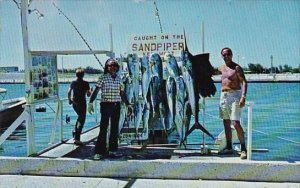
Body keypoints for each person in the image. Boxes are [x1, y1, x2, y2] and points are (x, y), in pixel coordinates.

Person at [88, 58, 131, 160]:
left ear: (117, 68)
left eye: (114, 66)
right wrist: (90, 102)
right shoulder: (103, 78)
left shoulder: (119, 79)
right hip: (106, 105)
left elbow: (122, 93)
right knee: (103, 128)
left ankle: (112, 150)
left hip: (116, 105)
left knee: (114, 129)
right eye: (110, 66)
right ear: (107, 68)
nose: (112, 68)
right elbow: (96, 90)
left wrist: (128, 104)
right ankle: (99, 152)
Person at [218, 47, 248, 160]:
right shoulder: (221, 68)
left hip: (235, 96)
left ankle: (243, 148)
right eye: (224, 55)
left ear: (231, 55)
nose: (226, 56)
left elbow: (244, 82)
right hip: (223, 96)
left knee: (235, 123)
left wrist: (243, 97)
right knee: (226, 122)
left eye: (228, 54)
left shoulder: (237, 68)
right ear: (222, 56)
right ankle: (229, 147)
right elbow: (209, 71)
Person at [67, 68, 91, 145]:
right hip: (82, 103)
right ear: (83, 75)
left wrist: (69, 100)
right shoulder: (86, 83)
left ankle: (75, 133)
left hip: (75, 102)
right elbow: (88, 94)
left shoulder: (73, 82)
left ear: (76, 75)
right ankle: (77, 138)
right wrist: (90, 91)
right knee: (81, 120)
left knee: (79, 117)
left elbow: (69, 92)